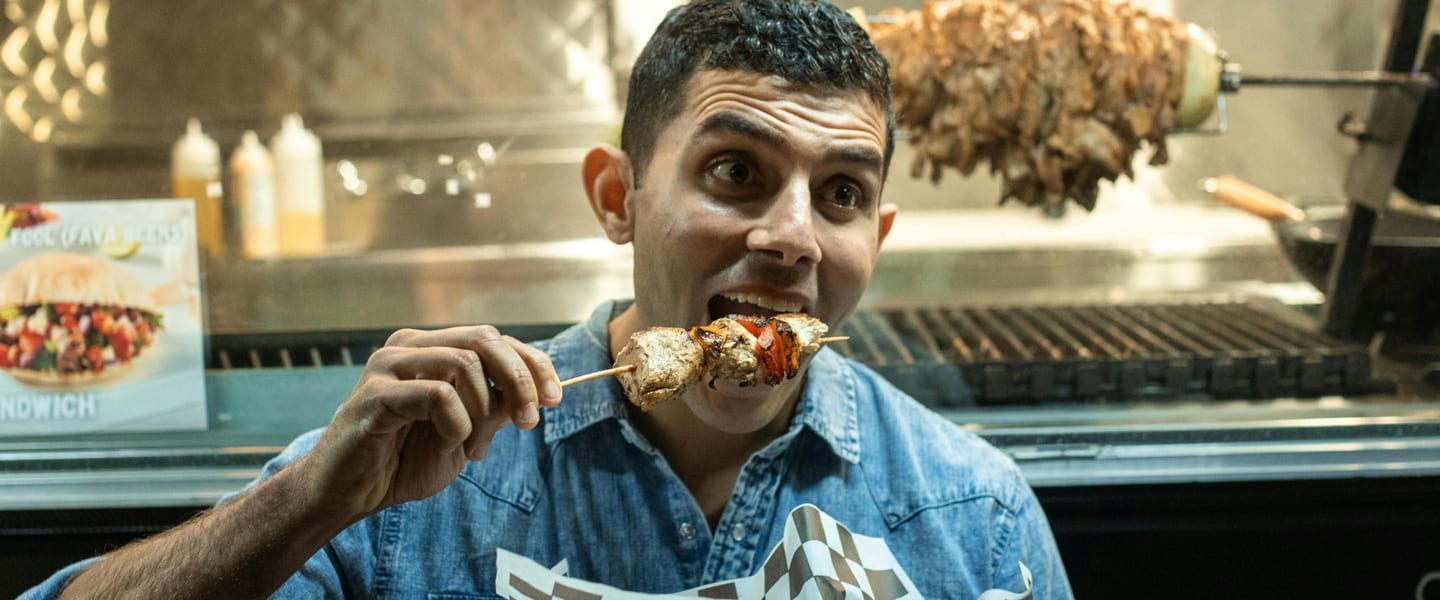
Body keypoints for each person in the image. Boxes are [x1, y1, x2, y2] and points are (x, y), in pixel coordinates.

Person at [25, 0, 1072, 597]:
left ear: (875, 240)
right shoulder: (413, 488)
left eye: (841, 195)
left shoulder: (972, 522)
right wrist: (304, 505)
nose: (792, 237)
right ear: (616, 198)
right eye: (735, 173)